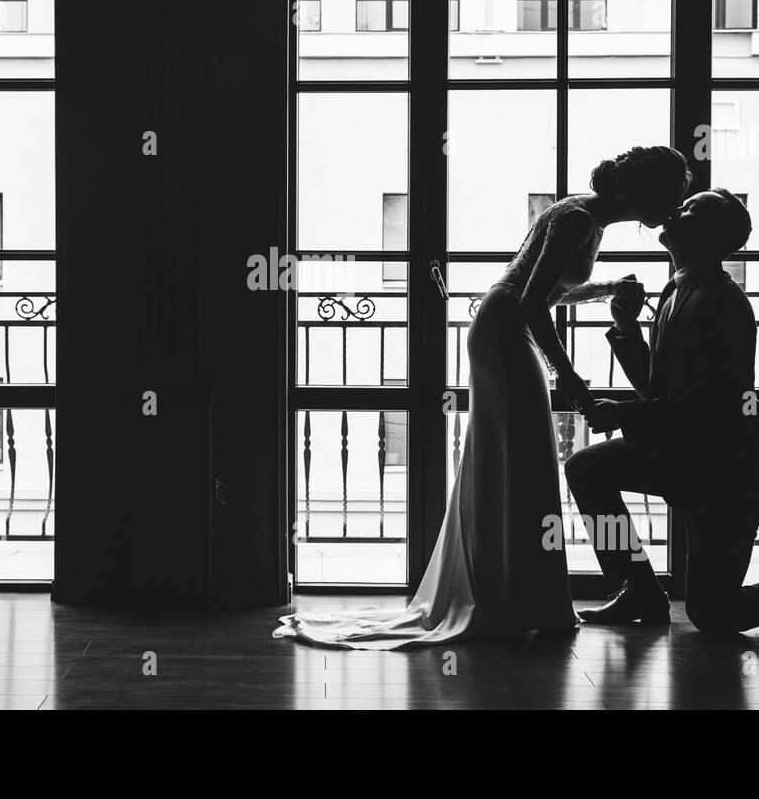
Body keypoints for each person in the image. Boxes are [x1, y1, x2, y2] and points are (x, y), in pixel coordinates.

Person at [273, 146, 692, 649]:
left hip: (504, 326)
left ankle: (517, 595)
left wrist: (604, 288)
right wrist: (573, 381)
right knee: (523, 460)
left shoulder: (581, 214)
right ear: (637, 193)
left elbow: (543, 290)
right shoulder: (579, 220)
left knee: (518, 460)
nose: (671, 208)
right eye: (668, 196)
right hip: (505, 334)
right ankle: (514, 598)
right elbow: (535, 304)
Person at [568, 189, 759, 632]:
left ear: (709, 236)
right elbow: (659, 387)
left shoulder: (722, 301)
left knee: (714, 611)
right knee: (586, 467)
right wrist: (626, 328)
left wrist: (622, 414)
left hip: (730, 473)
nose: (675, 210)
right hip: (695, 459)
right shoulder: (681, 289)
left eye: (690, 210)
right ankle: (636, 588)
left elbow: (710, 401)